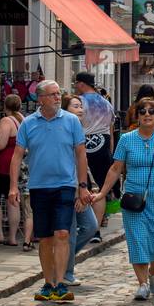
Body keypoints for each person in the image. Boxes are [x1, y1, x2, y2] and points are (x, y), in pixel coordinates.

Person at [8, 80, 90, 304]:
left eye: (58, 93)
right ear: (40, 98)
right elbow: (17, 156)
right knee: (44, 238)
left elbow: (81, 154)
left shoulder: (72, 121)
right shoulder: (28, 124)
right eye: (53, 94)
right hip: (39, 186)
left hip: (65, 185)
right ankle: (48, 283)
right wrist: (13, 186)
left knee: (62, 233)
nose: (57, 98)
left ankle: (61, 283)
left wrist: (82, 186)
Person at [97, 95, 154, 300]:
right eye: (142, 111)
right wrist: (102, 192)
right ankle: (142, 284)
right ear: (136, 116)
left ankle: (153, 273)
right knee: (137, 239)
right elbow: (116, 168)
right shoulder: (126, 139)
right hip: (133, 197)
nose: (147, 115)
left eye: (151, 112)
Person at [61, 94, 102, 286]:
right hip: (69, 187)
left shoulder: (79, 129)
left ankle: (61, 262)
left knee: (90, 227)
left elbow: (82, 164)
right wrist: (79, 190)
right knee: (71, 232)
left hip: (81, 187)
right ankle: (65, 272)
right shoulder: (65, 130)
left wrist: (85, 186)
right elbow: (70, 163)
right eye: (75, 106)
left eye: (81, 106)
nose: (80, 109)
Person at [74, 72, 115, 209]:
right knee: (101, 187)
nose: (75, 86)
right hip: (103, 144)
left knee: (86, 183)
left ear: (81, 84)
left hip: (85, 144)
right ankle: (101, 218)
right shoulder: (106, 103)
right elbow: (110, 130)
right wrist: (110, 151)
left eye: (76, 83)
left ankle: (88, 216)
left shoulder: (79, 102)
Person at [0, 94, 30, 247]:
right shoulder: (22, 119)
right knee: (13, 201)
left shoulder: (6, 121)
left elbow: (0, 145)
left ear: (5, 106)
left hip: (4, 164)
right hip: (18, 164)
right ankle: (13, 237)